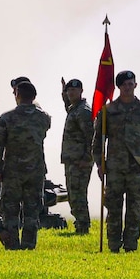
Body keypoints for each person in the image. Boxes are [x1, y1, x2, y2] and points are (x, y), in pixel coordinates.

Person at [92, 70, 140, 253]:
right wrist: (100, 164)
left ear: (135, 85)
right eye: (124, 85)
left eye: (131, 84)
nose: (128, 87)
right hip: (114, 169)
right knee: (113, 210)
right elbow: (98, 140)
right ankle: (113, 245)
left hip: (136, 169)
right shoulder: (108, 111)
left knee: (134, 210)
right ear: (119, 87)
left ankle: (131, 246)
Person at [0, 80, 51, 250]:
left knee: (10, 211)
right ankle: (29, 244)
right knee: (32, 211)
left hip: (12, 172)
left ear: (17, 95)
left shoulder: (6, 118)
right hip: (36, 171)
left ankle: (12, 245)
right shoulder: (43, 117)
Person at [60, 78, 94, 234]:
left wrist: (87, 158)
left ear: (81, 91)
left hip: (80, 161)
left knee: (78, 193)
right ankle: (81, 223)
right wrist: (63, 92)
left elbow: (91, 137)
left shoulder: (83, 111)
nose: (71, 93)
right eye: (69, 91)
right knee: (73, 193)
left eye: (74, 90)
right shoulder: (75, 108)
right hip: (72, 160)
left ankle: (83, 225)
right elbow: (67, 105)